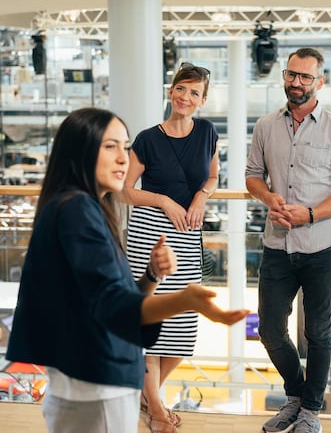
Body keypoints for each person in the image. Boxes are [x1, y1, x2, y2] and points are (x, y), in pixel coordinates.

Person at [6, 107, 248, 433]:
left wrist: (150, 276)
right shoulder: (77, 210)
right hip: (97, 388)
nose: (123, 158)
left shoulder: (82, 208)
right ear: (80, 151)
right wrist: (184, 300)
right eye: (110, 146)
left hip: (88, 387)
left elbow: (110, 297)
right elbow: (112, 306)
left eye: (125, 146)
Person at [245, 48, 331, 433]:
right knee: (270, 329)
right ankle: (296, 396)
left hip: (322, 246)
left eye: (305, 77)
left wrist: (310, 214)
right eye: (291, 74)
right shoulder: (265, 125)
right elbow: (252, 175)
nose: (296, 82)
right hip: (277, 245)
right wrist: (268, 197)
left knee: (318, 332)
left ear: (320, 82)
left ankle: (311, 412)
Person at [123, 62, 219, 430]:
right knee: (149, 321)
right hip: (150, 233)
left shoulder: (208, 132)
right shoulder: (147, 137)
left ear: (203, 100)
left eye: (195, 92)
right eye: (182, 89)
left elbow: (212, 175)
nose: (186, 97)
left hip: (187, 232)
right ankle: (158, 412)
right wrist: (163, 200)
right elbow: (126, 190)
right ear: (171, 91)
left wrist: (201, 197)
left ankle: (144, 397)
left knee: (183, 326)